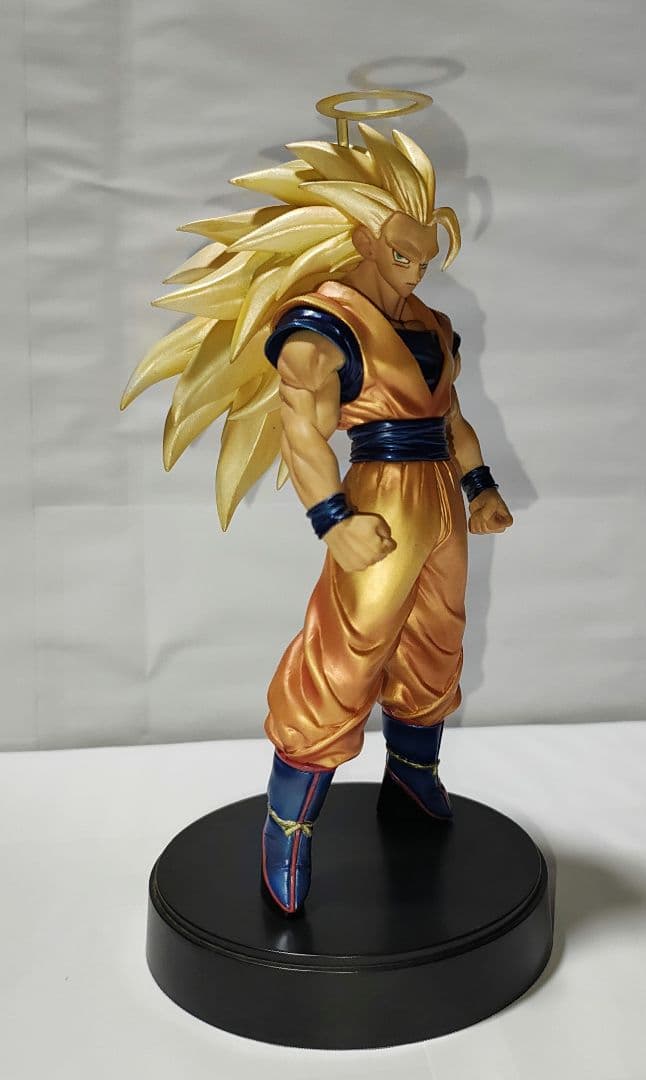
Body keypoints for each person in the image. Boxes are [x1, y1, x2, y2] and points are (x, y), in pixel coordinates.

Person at [121, 110, 513, 916]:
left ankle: (414, 774)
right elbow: (300, 428)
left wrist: (480, 487)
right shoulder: (321, 324)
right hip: (379, 496)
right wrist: (333, 517)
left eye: (424, 258)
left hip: (439, 494)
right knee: (345, 654)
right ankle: (288, 824)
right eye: (401, 255)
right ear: (364, 239)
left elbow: (452, 417)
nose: (414, 271)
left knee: (437, 640)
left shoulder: (432, 325)